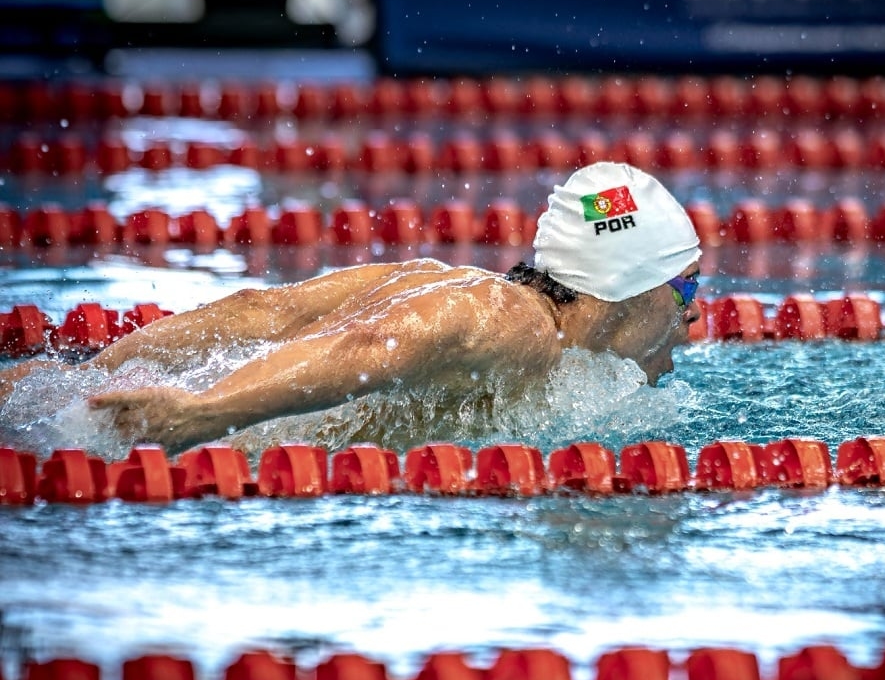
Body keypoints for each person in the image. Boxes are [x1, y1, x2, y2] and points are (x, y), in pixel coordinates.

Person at [0, 162, 701, 454]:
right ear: (630, 287)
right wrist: (202, 415)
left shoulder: (437, 278)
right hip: (196, 445)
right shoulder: (515, 326)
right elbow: (371, 346)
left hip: (119, 419)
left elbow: (259, 312)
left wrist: (91, 373)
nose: (694, 317)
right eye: (687, 290)